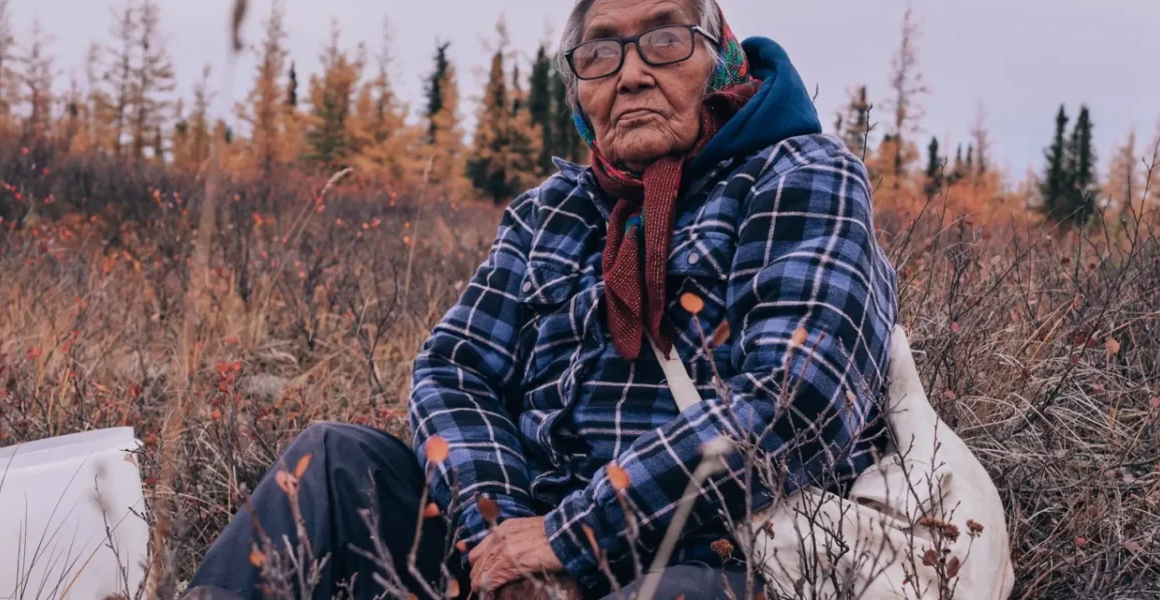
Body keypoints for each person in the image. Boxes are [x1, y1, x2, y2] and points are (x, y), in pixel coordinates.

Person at [185, 0, 897, 598]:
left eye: (665, 39)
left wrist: (570, 537)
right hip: (526, 533)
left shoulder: (801, 174)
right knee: (334, 460)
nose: (633, 74)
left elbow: (798, 398)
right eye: (600, 56)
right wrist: (501, 536)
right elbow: (455, 371)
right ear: (579, 94)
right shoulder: (552, 211)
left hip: (711, 551)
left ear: (722, 59)